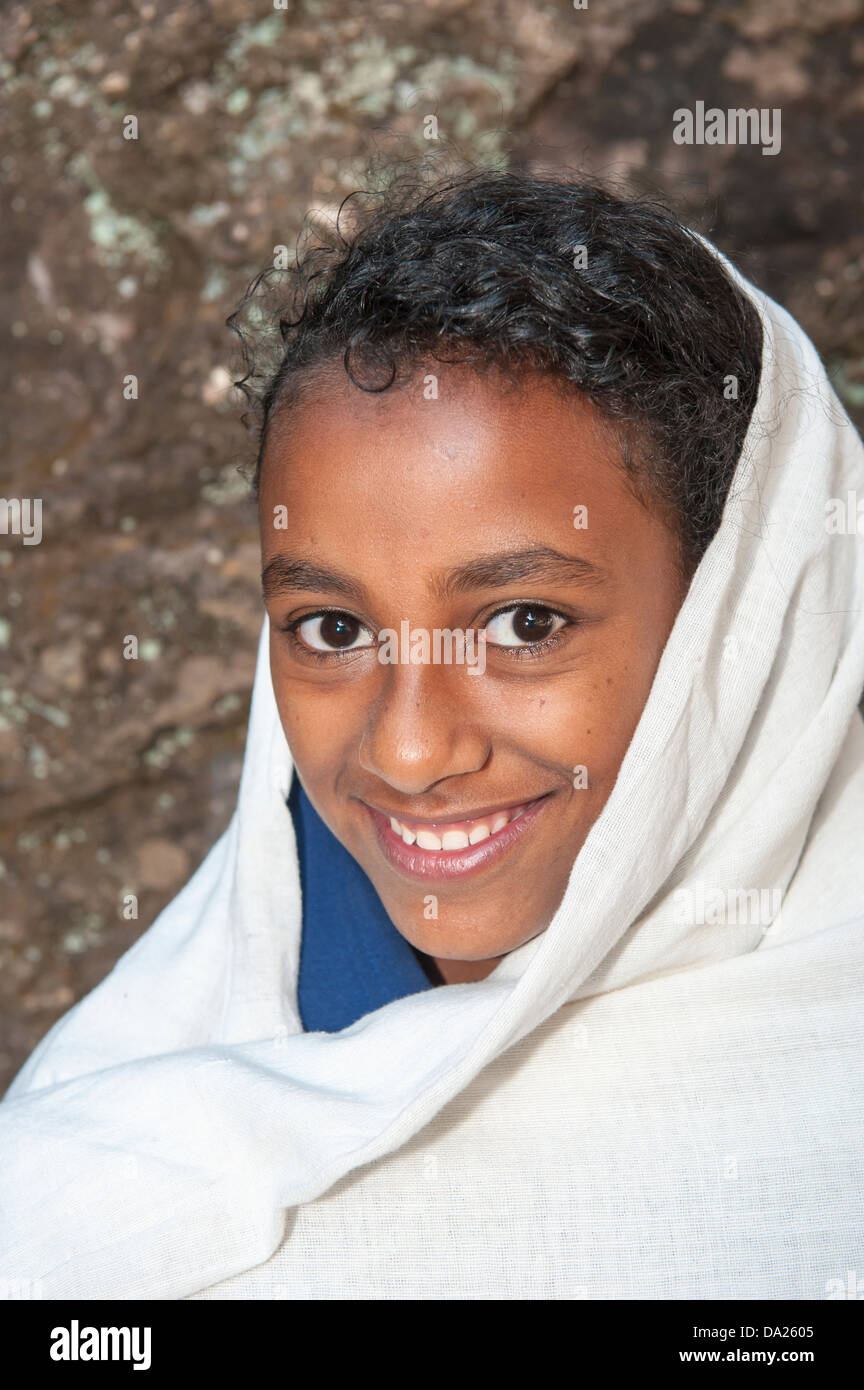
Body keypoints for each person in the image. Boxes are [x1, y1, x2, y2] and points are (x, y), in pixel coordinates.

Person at [1, 170, 862, 1300]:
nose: (409, 751)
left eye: (524, 623)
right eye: (333, 626)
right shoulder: (97, 1167)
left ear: (742, 618)